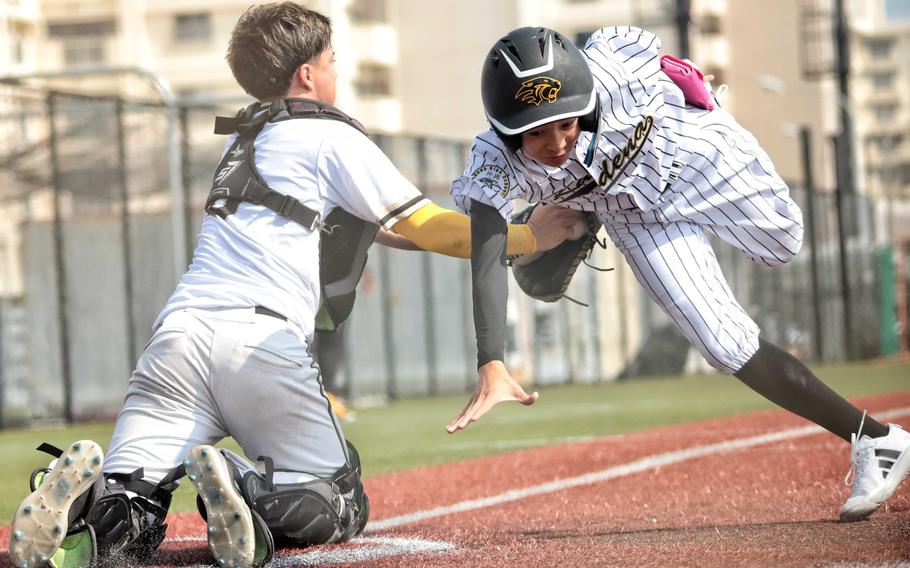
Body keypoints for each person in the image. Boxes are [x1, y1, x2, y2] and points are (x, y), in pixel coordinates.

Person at [7, 6, 579, 568]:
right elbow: (427, 225)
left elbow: (377, 230)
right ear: (307, 73)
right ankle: (243, 485)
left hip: (175, 339)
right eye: (331, 60)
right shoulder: (328, 137)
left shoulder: (242, 143)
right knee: (340, 503)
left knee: (130, 527)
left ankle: (87, 507)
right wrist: (528, 237)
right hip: (261, 343)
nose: (335, 71)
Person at [445, 25, 910, 523]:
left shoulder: (612, 70)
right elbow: (488, 248)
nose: (555, 141)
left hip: (691, 151)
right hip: (630, 212)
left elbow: (638, 41)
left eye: (566, 122)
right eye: (535, 132)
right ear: (506, 129)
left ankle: (577, 208)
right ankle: (876, 440)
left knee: (783, 245)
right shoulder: (492, 159)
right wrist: (490, 360)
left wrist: (683, 79)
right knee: (722, 344)